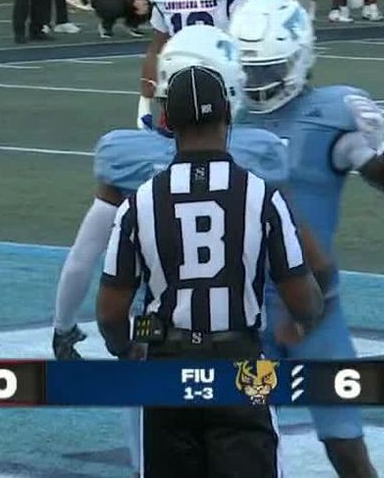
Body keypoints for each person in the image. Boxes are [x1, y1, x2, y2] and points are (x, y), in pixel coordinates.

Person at [233, 0, 384, 478]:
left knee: (345, 443)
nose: (258, 81)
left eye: (268, 68)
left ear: (299, 58)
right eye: (250, 69)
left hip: (315, 302)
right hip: (238, 310)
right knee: (242, 438)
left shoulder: (330, 114)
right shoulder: (224, 115)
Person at [98, 59, 324, 478]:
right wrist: (304, 321)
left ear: (167, 122)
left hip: (166, 365)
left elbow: (111, 313)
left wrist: (126, 348)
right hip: (241, 360)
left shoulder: (140, 203)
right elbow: (302, 298)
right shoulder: (262, 197)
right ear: (227, 115)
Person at [138, 0, 258, 128]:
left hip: (223, 81)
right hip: (179, 83)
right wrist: (145, 100)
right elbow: (157, 45)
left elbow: (249, 43)